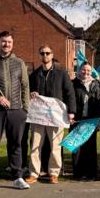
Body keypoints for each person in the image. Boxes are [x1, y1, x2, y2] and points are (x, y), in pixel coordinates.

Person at [0, 31, 30, 191]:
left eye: (9, 42)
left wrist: (25, 109)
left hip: (16, 110)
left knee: (16, 144)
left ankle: (17, 177)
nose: (6, 44)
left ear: (12, 44)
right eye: (4, 41)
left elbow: (25, 86)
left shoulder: (19, 63)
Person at [26, 44, 76, 184]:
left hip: (56, 116)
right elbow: (28, 91)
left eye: (47, 53)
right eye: (42, 53)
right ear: (40, 55)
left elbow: (69, 93)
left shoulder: (61, 73)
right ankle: (34, 173)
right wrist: (31, 93)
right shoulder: (35, 74)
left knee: (55, 146)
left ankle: (54, 173)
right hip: (38, 117)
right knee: (35, 145)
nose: (45, 56)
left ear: (52, 55)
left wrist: (71, 112)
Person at [71, 62, 100, 180]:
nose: (86, 72)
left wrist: (99, 121)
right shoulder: (73, 83)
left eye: (88, 70)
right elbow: (70, 100)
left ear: (91, 72)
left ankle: (91, 174)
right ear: (79, 70)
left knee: (90, 148)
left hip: (91, 121)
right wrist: (70, 116)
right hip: (77, 120)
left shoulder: (96, 84)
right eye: (83, 70)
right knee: (77, 148)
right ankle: (78, 174)